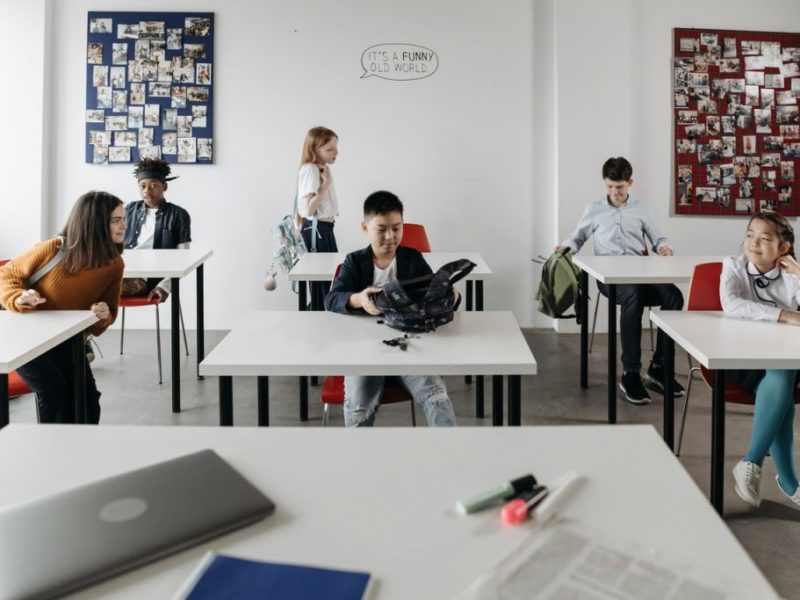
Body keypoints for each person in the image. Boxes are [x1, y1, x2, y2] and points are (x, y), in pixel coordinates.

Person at [557, 157, 685, 405]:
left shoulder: (642, 209)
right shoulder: (594, 210)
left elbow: (659, 238)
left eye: (620, 187)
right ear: (605, 184)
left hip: (641, 273)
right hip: (610, 279)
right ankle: (630, 373)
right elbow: (578, 237)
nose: (615, 192)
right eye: (610, 187)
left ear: (630, 183)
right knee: (633, 296)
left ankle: (659, 367)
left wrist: (664, 248)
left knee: (674, 296)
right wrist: (565, 248)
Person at [324, 190, 458, 427]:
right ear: (365, 227)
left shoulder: (412, 258)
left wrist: (451, 295)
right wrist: (359, 299)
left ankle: (451, 460)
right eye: (381, 228)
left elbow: (431, 295)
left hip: (410, 347)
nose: (390, 236)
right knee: (358, 408)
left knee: (438, 399)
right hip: (363, 352)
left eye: (397, 228)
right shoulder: (355, 261)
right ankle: (359, 463)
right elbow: (332, 299)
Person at [0, 191, 125, 423]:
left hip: (65, 340)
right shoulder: (54, 248)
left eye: (122, 219)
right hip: (23, 338)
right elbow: (6, 273)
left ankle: (81, 454)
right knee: (54, 390)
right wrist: (20, 296)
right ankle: (53, 454)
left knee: (87, 399)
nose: (123, 225)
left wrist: (103, 313)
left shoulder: (114, 265)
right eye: (116, 220)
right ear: (95, 222)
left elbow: (106, 315)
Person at [723, 212, 800, 508]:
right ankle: (789, 480)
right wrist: (786, 315)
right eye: (750, 235)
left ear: (783, 248)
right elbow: (731, 305)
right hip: (741, 356)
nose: (754, 242)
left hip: (784, 359)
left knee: (782, 374)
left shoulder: (790, 274)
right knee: (782, 391)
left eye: (765, 238)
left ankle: (751, 462)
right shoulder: (733, 266)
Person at [122, 157, 191, 300]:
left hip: (147, 279)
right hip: (122, 272)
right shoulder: (128, 209)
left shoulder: (178, 215)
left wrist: (164, 286)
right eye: (143, 186)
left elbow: (183, 258)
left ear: (164, 186)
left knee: (93, 289)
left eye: (154, 185)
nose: (147, 191)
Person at [297, 126, 339, 308]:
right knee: (323, 284)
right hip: (316, 231)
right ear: (315, 149)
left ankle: (323, 321)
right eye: (329, 149)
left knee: (329, 281)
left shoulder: (321, 169)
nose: (335, 152)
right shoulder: (311, 170)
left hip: (324, 230)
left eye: (336, 148)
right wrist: (326, 184)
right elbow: (307, 210)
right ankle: (320, 322)